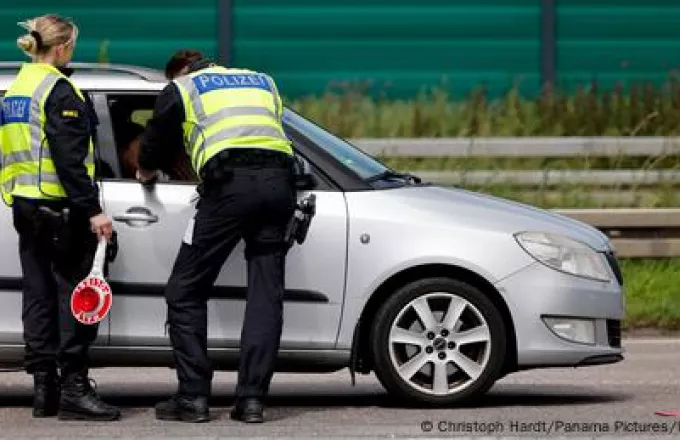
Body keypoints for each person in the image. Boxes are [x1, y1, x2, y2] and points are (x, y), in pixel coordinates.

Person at [136, 50, 296, 423]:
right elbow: (271, 132)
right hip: (279, 187)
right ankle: (252, 401)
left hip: (228, 187)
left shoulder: (183, 88)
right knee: (265, 293)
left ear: (179, 72)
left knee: (185, 289)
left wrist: (146, 170)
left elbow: (156, 139)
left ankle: (193, 397)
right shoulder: (262, 80)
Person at [0, 14, 121, 421]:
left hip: (27, 207)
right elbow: (70, 162)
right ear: (64, 46)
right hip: (60, 210)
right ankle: (73, 386)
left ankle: (43, 391)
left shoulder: (17, 88)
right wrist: (95, 211)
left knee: (38, 298)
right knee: (78, 298)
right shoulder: (59, 89)